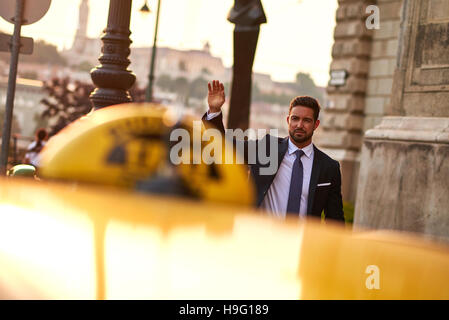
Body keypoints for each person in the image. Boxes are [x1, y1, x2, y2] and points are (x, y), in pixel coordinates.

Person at [202, 80, 344, 222]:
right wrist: (214, 112)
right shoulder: (267, 149)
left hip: (303, 241)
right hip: (262, 237)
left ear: (316, 124)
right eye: (295, 119)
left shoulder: (329, 167)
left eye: (306, 120)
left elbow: (335, 219)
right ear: (288, 120)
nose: (299, 125)